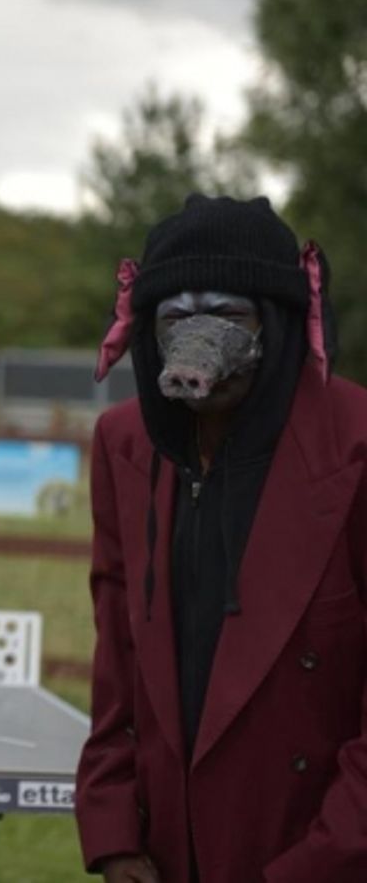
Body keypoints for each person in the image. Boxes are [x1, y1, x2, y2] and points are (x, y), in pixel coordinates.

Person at [78, 195, 367, 882]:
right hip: (169, 850)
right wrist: (114, 830)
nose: (197, 339)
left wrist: (326, 858)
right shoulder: (124, 443)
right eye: (176, 317)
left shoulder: (356, 442)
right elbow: (117, 655)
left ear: (278, 321)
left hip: (316, 845)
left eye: (228, 315)